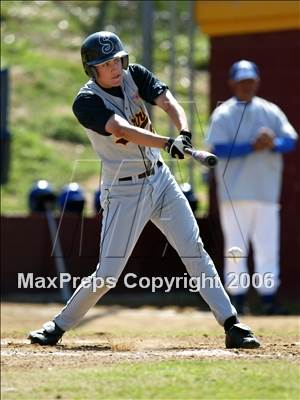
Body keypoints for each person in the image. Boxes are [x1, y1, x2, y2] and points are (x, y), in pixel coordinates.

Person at [28, 33, 260, 348]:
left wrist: (185, 133)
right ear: (91, 69)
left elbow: (167, 101)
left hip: (161, 180)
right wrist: (167, 143)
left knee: (194, 250)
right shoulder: (86, 101)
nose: (114, 68)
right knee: (108, 273)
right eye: (105, 64)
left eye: (117, 60)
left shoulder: (134, 74)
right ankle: (57, 326)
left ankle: (232, 324)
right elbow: (121, 129)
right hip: (124, 191)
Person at [206, 60, 298, 315]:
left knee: (268, 247)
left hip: (266, 192)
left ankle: (269, 299)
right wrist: (251, 146)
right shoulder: (224, 113)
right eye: (241, 81)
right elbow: (218, 148)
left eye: (250, 81)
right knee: (235, 248)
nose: (246, 85)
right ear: (232, 83)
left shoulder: (271, 111)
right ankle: (237, 301)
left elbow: (291, 141)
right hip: (234, 193)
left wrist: (273, 143)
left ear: (257, 82)